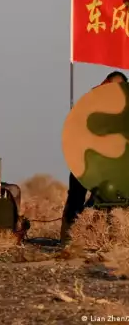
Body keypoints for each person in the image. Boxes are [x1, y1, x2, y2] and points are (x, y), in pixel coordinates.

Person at [60, 70, 128, 241]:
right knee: (77, 198)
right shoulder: (93, 103)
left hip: (118, 169)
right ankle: (69, 238)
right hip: (91, 164)